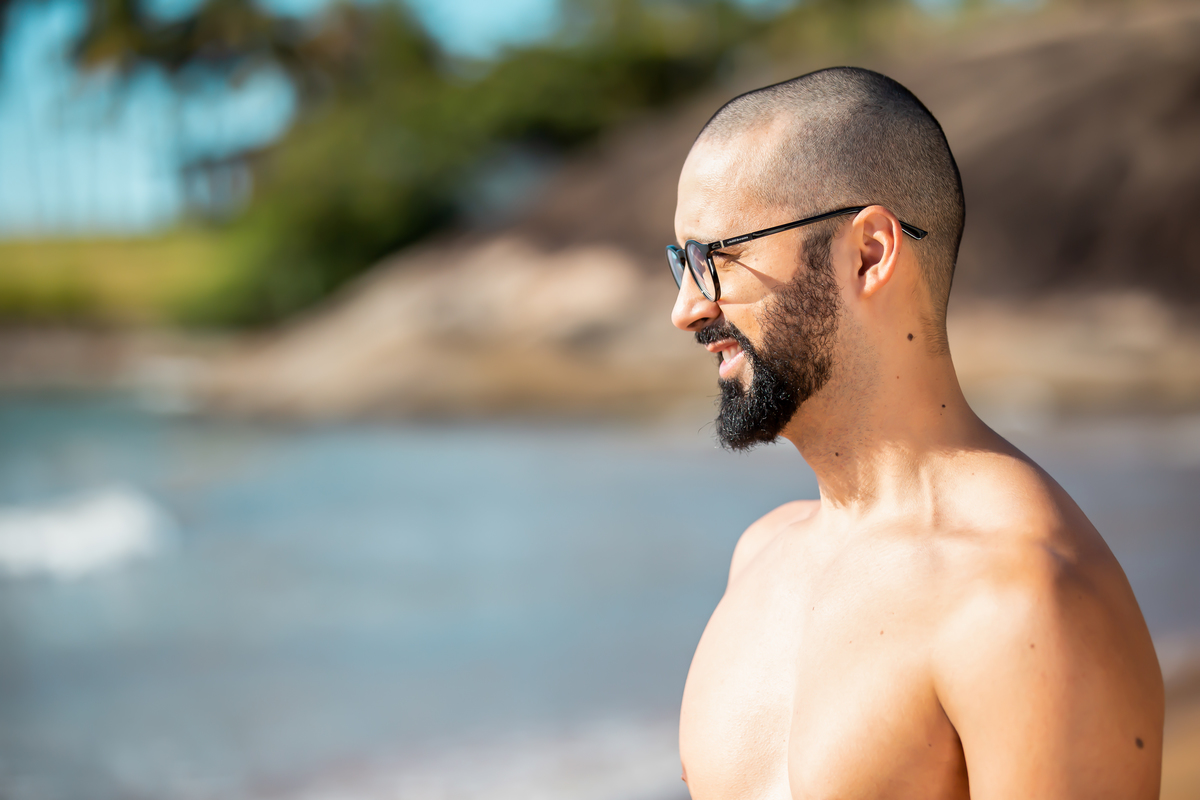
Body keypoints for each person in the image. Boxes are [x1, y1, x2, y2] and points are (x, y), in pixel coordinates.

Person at [667, 67, 1163, 800]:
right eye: (680, 261)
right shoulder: (761, 555)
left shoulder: (1023, 596)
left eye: (714, 257)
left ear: (868, 252)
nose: (685, 308)